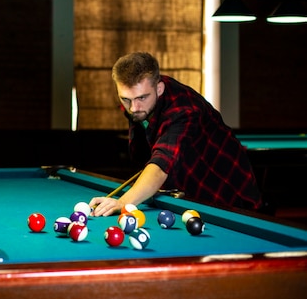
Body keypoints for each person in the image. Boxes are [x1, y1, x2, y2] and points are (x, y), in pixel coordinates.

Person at [89, 52, 262, 217]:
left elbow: (162, 163)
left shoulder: (183, 110)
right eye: (126, 99)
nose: (134, 108)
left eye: (141, 98)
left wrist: (124, 202)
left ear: (159, 88)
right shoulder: (139, 104)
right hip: (189, 186)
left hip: (228, 191)